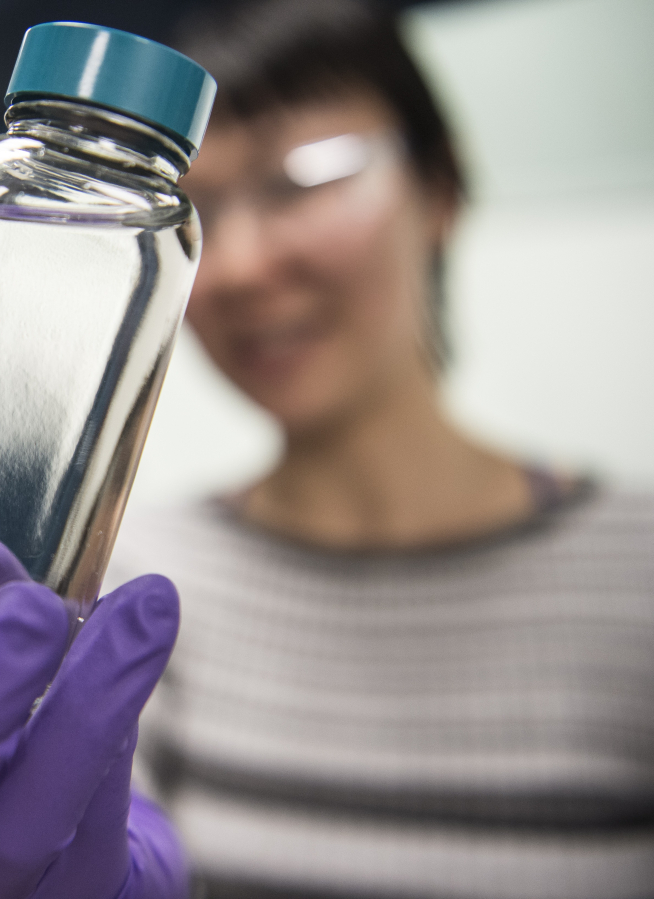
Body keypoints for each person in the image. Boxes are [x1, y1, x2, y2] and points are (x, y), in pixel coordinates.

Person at [101, 1, 654, 897]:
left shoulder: (636, 570)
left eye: (295, 181)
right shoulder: (148, 580)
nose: (237, 266)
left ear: (441, 188)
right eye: (194, 210)